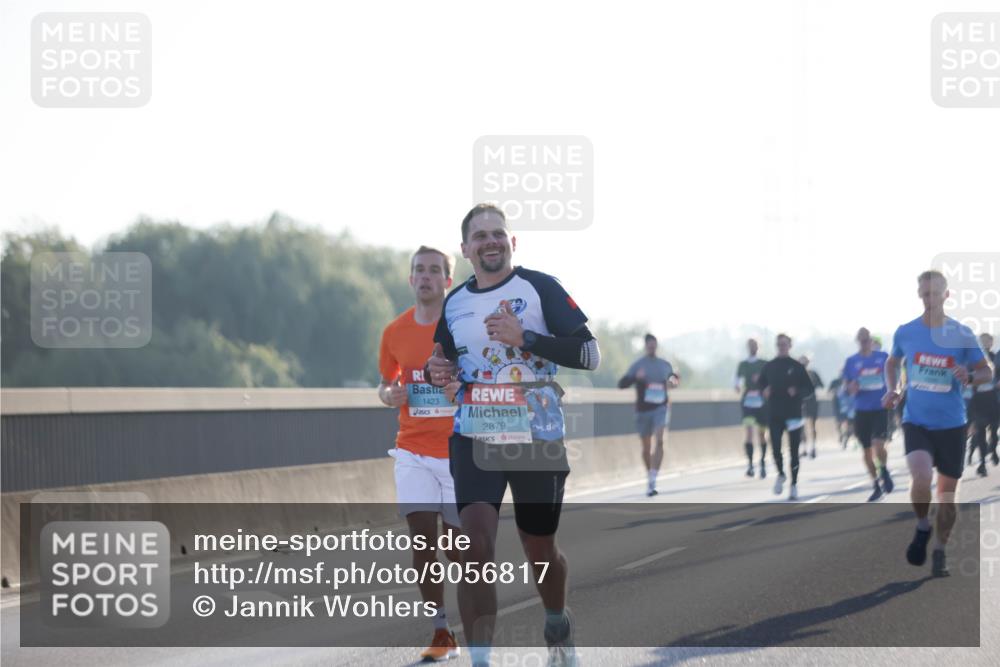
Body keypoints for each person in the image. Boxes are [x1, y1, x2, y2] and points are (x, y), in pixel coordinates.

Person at [426, 203, 600, 667]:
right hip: (476, 430)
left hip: (535, 432)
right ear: (465, 249)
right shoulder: (456, 301)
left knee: (538, 545)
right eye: (479, 235)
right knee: (473, 544)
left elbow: (589, 353)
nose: (490, 241)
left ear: (512, 242)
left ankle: (557, 622)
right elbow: (441, 359)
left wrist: (527, 339)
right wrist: (435, 368)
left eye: (497, 233)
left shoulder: (539, 287)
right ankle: (480, 660)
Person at [377, 245, 462, 662]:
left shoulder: (462, 326)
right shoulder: (395, 332)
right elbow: (384, 384)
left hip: (459, 451)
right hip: (412, 448)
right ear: (410, 280)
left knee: (461, 548)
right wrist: (388, 394)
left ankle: (474, 617)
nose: (425, 277)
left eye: (434, 270)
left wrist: (457, 389)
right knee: (423, 540)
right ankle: (441, 630)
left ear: (448, 280)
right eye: (419, 270)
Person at [883, 270, 993, 577]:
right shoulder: (906, 332)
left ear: (947, 295)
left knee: (947, 496)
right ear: (919, 295)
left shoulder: (961, 333)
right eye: (924, 294)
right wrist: (893, 389)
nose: (929, 300)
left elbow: (987, 371)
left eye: (934, 294)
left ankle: (941, 549)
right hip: (916, 420)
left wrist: (969, 376)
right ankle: (922, 526)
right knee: (919, 477)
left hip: (952, 424)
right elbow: (892, 362)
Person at [619, 333, 681, 495]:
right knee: (646, 448)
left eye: (654, 345)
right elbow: (622, 384)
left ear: (656, 346)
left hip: (661, 408)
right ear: (646, 346)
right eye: (649, 346)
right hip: (643, 410)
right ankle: (649, 476)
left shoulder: (665, 365)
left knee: (660, 441)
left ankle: (654, 478)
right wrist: (635, 378)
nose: (652, 348)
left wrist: (673, 382)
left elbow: (674, 379)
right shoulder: (638, 365)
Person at [757, 333, 815, 500]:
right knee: (775, 448)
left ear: (790, 346)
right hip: (775, 413)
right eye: (779, 344)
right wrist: (764, 391)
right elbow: (761, 383)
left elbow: (809, 390)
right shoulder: (770, 366)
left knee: (794, 450)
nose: (782, 346)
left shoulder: (797, 366)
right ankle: (781, 474)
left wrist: (797, 391)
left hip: (794, 414)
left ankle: (794, 484)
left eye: (785, 344)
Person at [842, 327, 895, 502]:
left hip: (880, 408)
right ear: (858, 341)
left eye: (867, 340)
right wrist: (851, 388)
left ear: (871, 341)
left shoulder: (882, 357)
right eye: (861, 340)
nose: (865, 343)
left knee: (879, 445)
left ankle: (884, 470)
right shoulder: (851, 361)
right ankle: (875, 484)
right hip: (861, 410)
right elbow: (846, 386)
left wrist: (894, 392)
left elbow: (893, 376)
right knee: (866, 450)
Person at [735, 339, 769, 478]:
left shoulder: (764, 363)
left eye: (754, 345)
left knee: (761, 434)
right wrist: (737, 386)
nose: (752, 348)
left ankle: (762, 462)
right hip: (748, 402)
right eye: (750, 346)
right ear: (747, 347)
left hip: (762, 403)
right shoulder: (743, 364)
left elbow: (769, 381)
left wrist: (760, 380)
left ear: (758, 347)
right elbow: (736, 381)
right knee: (749, 432)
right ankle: (750, 464)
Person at [968, 333, 999, 475]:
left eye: (987, 341)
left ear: (991, 343)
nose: (985, 344)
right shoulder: (970, 360)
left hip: (993, 398)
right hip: (977, 399)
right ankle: (982, 463)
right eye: (982, 342)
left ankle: (993, 449)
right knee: (980, 432)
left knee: (994, 430)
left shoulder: (995, 357)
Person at [799, 355, 824, 459]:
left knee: (812, 425)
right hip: (800, 402)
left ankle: (813, 446)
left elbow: (821, 385)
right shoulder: (796, 374)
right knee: (801, 426)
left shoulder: (813, 373)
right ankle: (804, 448)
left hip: (812, 401)